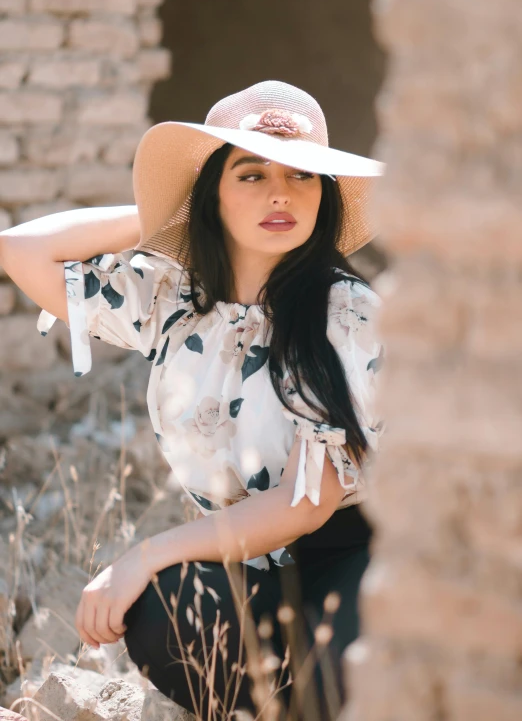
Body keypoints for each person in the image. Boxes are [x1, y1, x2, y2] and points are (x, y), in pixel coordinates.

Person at [0, 80, 386, 721]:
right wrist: (170, 215)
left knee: (338, 677)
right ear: (212, 193)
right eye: (250, 173)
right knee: (157, 607)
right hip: (251, 567)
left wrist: (141, 553)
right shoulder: (172, 300)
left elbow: (305, 505)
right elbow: (22, 250)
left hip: (360, 557)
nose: (280, 193)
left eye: (302, 175)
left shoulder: (345, 312)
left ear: (325, 194)